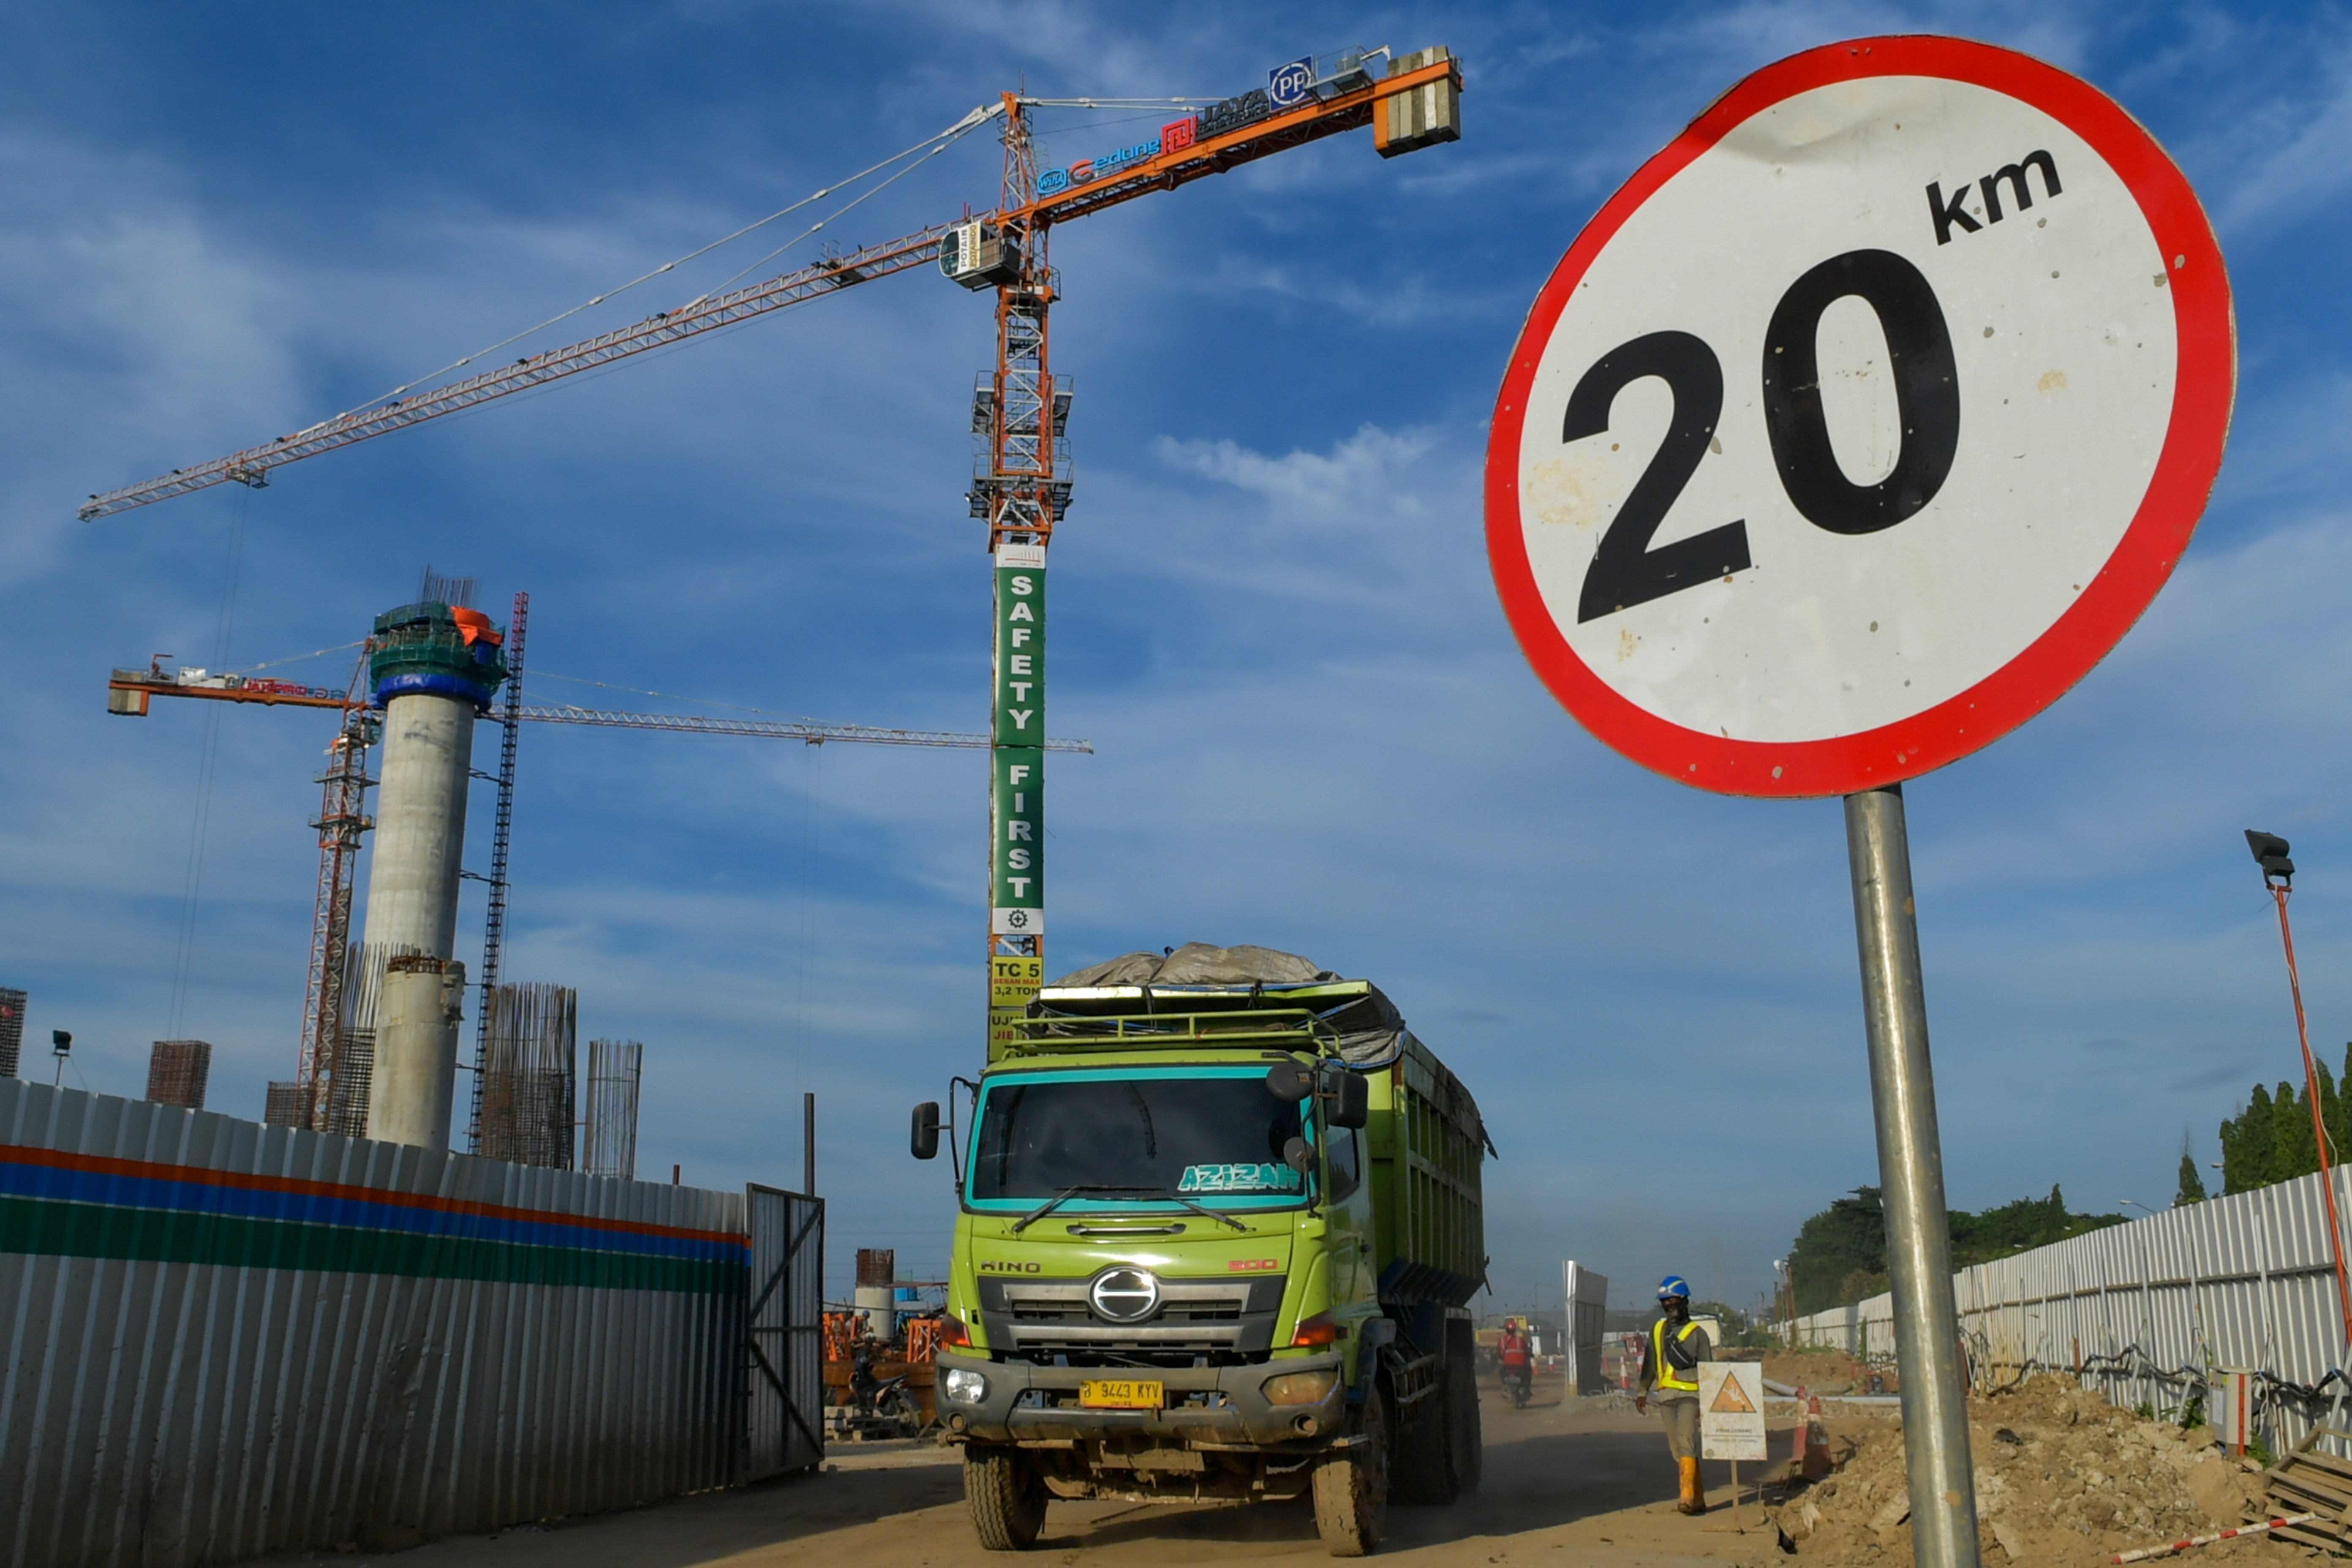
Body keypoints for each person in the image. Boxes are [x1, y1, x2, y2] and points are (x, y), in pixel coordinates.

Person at [1634, 1275, 1712, 1515]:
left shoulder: (1698, 1334)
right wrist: (1643, 1391)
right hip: (1666, 1397)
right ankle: (1698, 1498)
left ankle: (1687, 1498)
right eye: (1665, 1301)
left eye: (1673, 1299)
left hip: (1691, 1397)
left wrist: (1708, 1405)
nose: (1669, 1304)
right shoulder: (1658, 1330)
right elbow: (1649, 1362)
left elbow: (1710, 1371)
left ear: (1685, 1300)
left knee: (1686, 1442)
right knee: (1677, 1449)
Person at [1499, 1317, 1533, 1403]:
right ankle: (1527, 1389)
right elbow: (1526, 1351)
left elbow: (1499, 1352)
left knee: (1502, 1374)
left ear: (1507, 1330)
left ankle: (1505, 1387)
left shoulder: (1502, 1341)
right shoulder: (1520, 1340)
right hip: (1520, 1366)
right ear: (1515, 1330)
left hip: (1508, 1366)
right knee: (1529, 1372)